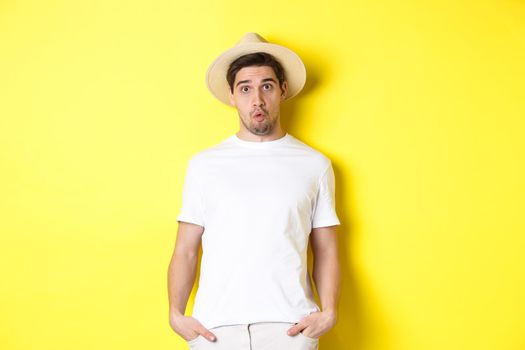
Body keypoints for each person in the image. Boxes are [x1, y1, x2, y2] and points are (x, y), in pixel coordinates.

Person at [167, 32, 342, 350]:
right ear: (232, 96)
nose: (257, 100)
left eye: (267, 86)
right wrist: (176, 315)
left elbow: (327, 248)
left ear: (282, 90)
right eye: (245, 88)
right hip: (215, 330)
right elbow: (186, 249)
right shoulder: (204, 165)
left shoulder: (314, 164)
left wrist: (328, 313)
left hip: (291, 328)